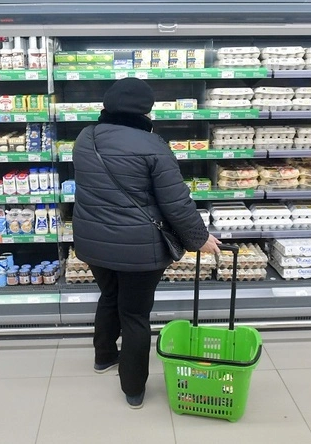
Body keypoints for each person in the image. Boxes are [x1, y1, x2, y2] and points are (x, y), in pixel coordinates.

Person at [72, 78, 221, 409]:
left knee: (109, 296)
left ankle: (103, 357)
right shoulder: (153, 145)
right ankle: (133, 388)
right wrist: (200, 239)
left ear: (107, 105)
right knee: (135, 315)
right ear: (146, 110)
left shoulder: (85, 137)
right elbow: (176, 203)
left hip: (93, 243)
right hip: (139, 248)